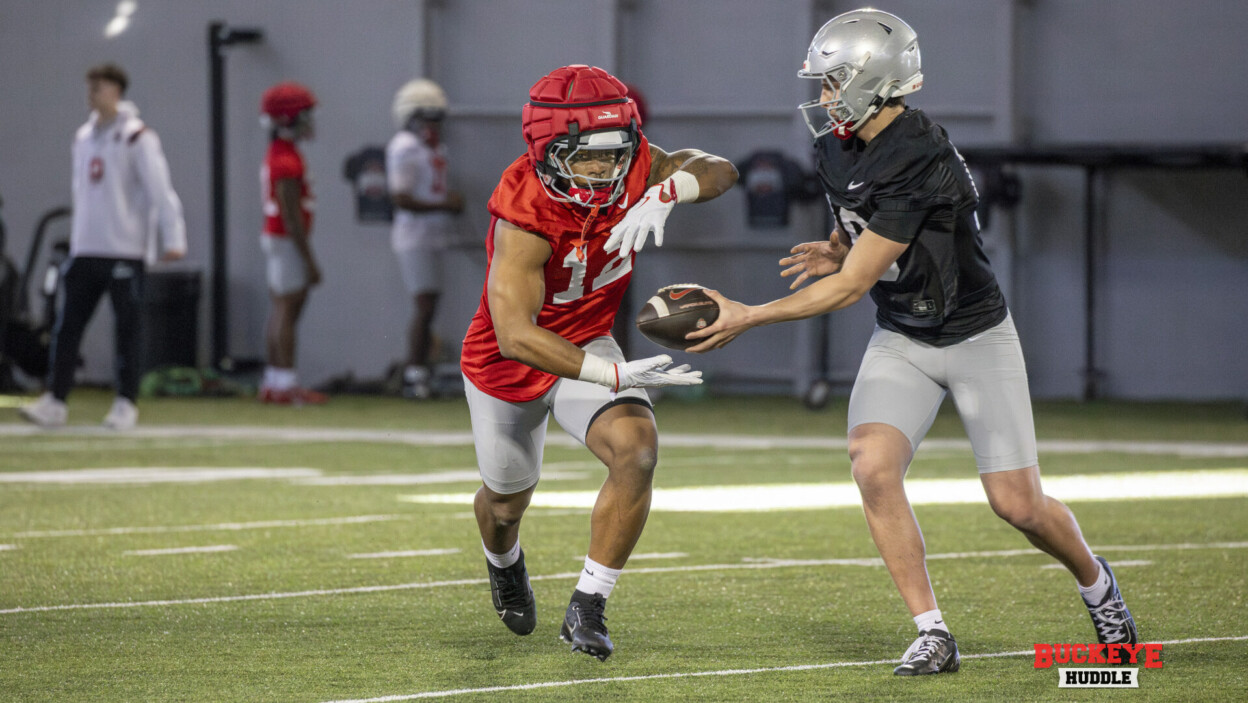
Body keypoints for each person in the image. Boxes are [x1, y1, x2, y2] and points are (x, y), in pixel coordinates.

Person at [687, 9, 1137, 676]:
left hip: (974, 334)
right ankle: (932, 631)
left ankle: (1097, 584)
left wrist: (749, 313)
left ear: (874, 79)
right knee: (871, 464)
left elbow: (849, 287)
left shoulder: (920, 154)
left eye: (834, 82)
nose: (823, 97)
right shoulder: (839, 142)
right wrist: (840, 243)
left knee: (1018, 504)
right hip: (903, 332)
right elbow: (863, 229)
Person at [460, 65, 737, 661]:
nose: (607, 171)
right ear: (547, 151)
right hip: (510, 362)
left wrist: (670, 189)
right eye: (587, 158)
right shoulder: (524, 211)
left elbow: (718, 170)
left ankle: (589, 603)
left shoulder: (638, 165)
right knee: (506, 504)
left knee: (636, 450)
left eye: (617, 156)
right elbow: (515, 335)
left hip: (588, 337)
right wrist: (612, 374)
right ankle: (503, 562)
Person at [20, 62, 186, 430]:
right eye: (89, 87)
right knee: (68, 327)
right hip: (86, 248)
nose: (91, 94)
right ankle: (56, 400)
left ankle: (126, 401)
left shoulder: (137, 137)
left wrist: (172, 236)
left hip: (124, 249)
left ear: (115, 91)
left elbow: (160, 190)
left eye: (98, 87)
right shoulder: (83, 137)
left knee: (127, 327)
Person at [387, 79, 464, 398]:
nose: (433, 125)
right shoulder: (405, 145)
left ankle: (418, 370)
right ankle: (414, 372)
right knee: (425, 305)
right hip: (414, 236)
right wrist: (445, 204)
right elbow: (401, 197)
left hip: (432, 235)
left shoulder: (431, 147)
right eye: (427, 117)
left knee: (430, 304)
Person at [257, 81, 326, 404]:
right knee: (288, 308)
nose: (309, 121)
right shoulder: (284, 156)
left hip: (276, 238)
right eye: (304, 114)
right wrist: (309, 258)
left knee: (281, 308)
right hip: (286, 239)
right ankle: (284, 383)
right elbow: (291, 212)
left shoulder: (281, 151)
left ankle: (274, 381)